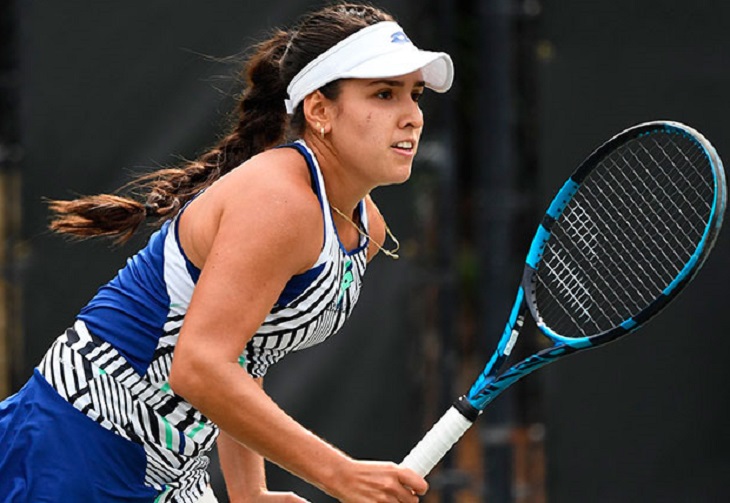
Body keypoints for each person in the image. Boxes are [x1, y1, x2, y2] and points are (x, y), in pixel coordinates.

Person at [0, 2, 454, 502]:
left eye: (414, 94)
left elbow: (246, 354)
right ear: (320, 111)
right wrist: (338, 473)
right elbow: (199, 366)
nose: (411, 116)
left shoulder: (361, 226)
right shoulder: (280, 203)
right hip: (77, 445)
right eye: (384, 94)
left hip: (169, 467)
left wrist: (249, 491)